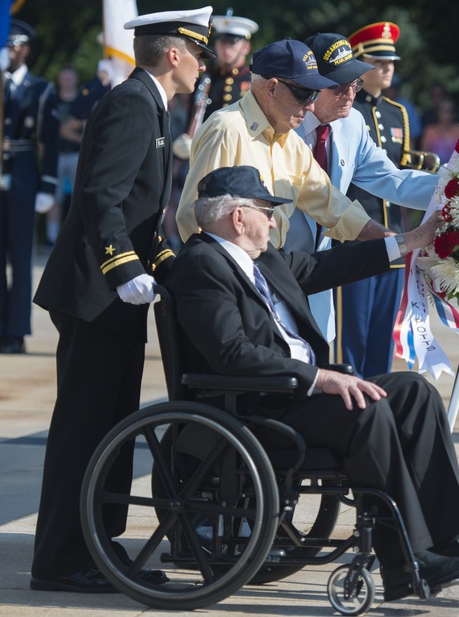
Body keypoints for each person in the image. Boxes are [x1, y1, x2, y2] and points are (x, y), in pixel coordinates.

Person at [168, 165, 459, 600]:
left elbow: (329, 264)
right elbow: (232, 354)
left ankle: (450, 539)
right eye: (267, 210)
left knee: (414, 393)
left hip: (297, 393)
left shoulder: (264, 259)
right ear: (238, 218)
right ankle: (405, 561)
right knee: (366, 409)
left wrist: (410, 240)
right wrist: (320, 378)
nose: (274, 220)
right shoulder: (201, 264)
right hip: (258, 406)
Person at [29, 7, 215, 594]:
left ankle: (97, 545)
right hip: (96, 293)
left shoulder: (152, 104)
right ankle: (61, 559)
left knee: (111, 427)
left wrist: (171, 267)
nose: (206, 63)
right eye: (200, 52)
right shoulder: (134, 103)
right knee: (85, 429)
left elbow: (141, 217)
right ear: (175, 54)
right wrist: (123, 267)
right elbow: (99, 199)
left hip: (114, 295)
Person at [285, 32, 437, 360]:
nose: (349, 94)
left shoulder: (351, 123)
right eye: (338, 86)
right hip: (275, 267)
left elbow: (394, 181)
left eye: (354, 83)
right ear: (310, 86)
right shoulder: (283, 122)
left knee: (319, 364)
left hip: (319, 271)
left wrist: (456, 189)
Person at [175, 38, 386, 247]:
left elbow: (331, 204)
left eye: (315, 94)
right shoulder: (227, 130)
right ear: (272, 88)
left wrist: (394, 241)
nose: (311, 106)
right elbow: (194, 217)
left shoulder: (290, 141)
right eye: (304, 94)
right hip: (233, 271)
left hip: (265, 267)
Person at [340, 21, 437, 376]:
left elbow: (400, 168)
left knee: (384, 331)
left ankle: (378, 399)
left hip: (394, 232)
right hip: (356, 231)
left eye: (390, 62)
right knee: (353, 332)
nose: (386, 69)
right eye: (378, 62)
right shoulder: (345, 112)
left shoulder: (398, 113)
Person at [0, 20, 59, 354]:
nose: (10, 51)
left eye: (15, 45)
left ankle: (16, 332)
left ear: (26, 49)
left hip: (22, 173)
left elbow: (51, 140)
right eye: (6, 46)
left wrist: (48, 184)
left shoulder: (40, 88)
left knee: (19, 256)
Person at [44, 64, 81, 245]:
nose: (67, 81)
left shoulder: (82, 101)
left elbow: (87, 124)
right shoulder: (52, 100)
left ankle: (76, 237)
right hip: (56, 155)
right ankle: (53, 238)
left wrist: (65, 131)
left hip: (77, 155)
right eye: (64, 78)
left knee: (78, 199)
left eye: (70, 77)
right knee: (54, 198)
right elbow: (49, 129)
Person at [201, 11, 258, 121]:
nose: (226, 48)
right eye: (222, 42)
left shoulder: (254, 82)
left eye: (232, 43)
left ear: (246, 48)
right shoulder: (207, 79)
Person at [420, 98, 459, 163]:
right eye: (444, 111)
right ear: (438, 112)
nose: (448, 115)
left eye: (450, 111)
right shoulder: (429, 131)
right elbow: (425, 155)